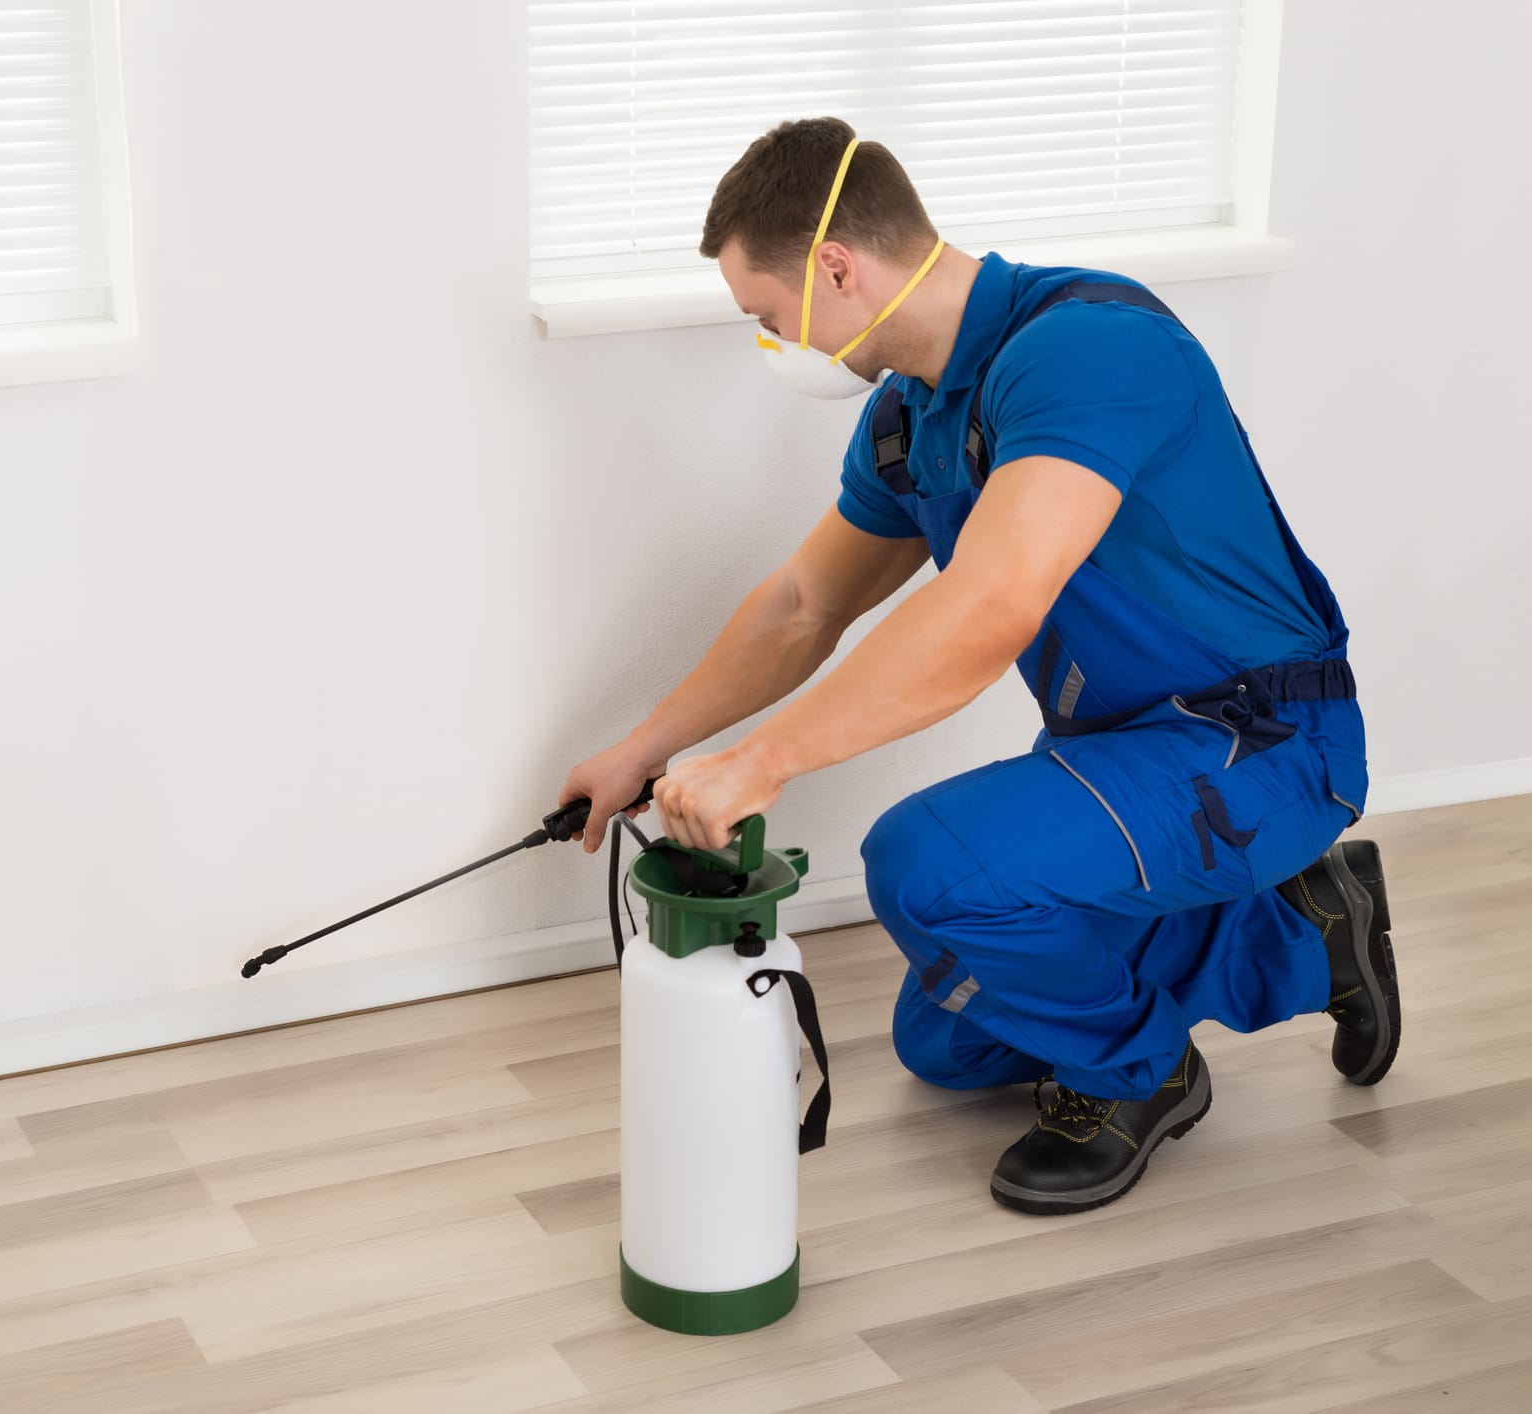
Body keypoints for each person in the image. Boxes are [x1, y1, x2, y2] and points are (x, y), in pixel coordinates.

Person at [557, 117, 1400, 1216]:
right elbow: (805, 604)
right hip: (1131, 759)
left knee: (925, 869)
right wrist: (645, 749)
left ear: (835, 269)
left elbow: (990, 606)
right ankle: (1301, 924)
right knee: (945, 1040)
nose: (772, 344)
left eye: (767, 317)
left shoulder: (1088, 349)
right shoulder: (910, 418)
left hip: (1261, 741)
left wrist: (760, 764)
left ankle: (1142, 1078)